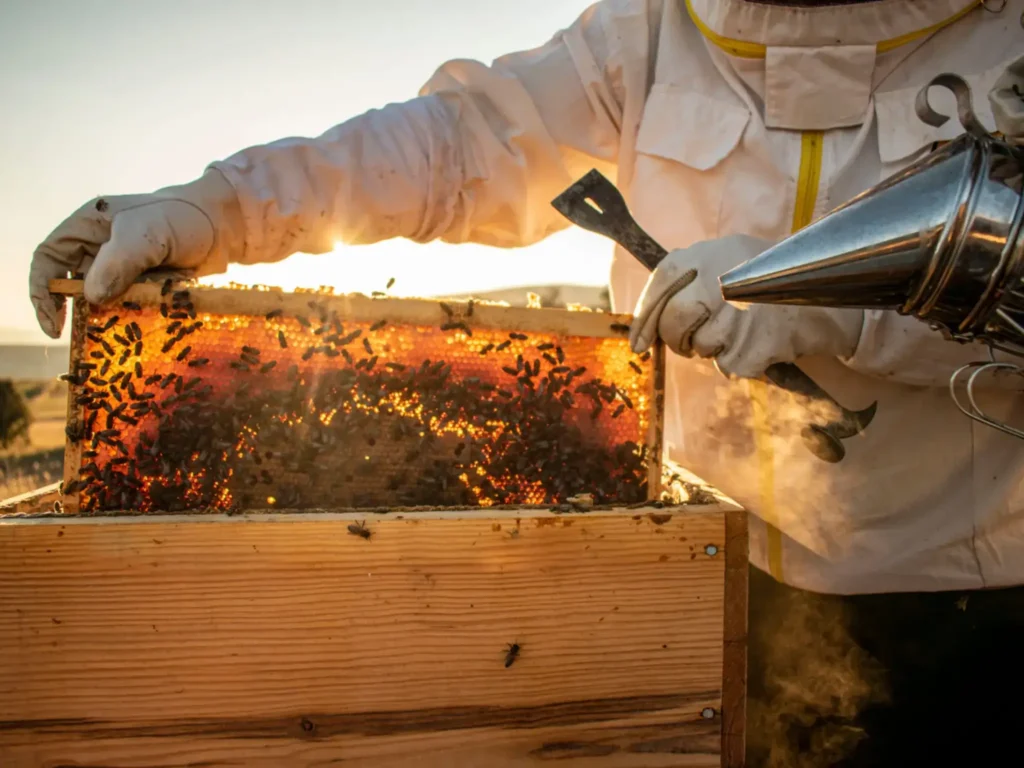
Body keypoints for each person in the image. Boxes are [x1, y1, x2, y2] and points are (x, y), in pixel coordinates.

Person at [26, 1, 1024, 763]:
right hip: (687, 566)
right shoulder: (652, 33)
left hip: (959, 596)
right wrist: (217, 208)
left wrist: (829, 300)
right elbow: (452, 144)